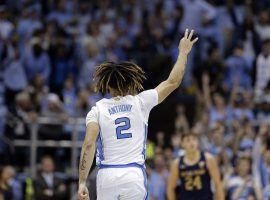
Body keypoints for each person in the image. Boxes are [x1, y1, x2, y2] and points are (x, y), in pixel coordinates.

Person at [77, 29, 198, 200]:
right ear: (130, 84)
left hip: (107, 175)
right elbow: (173, 81)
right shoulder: (140, 102)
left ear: (108, 86)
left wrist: (82, 181)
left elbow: (88, 144)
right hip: (133, 174)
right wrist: (183, 53)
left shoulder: (98, 108)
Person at [167, 132, 224, 200]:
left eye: (194, 139)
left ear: (197, 142)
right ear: (182, 144)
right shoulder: (177, 163)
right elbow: (170, 188)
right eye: (188, 140)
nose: (192, 143)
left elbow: (218, 184)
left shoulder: (208, 159)